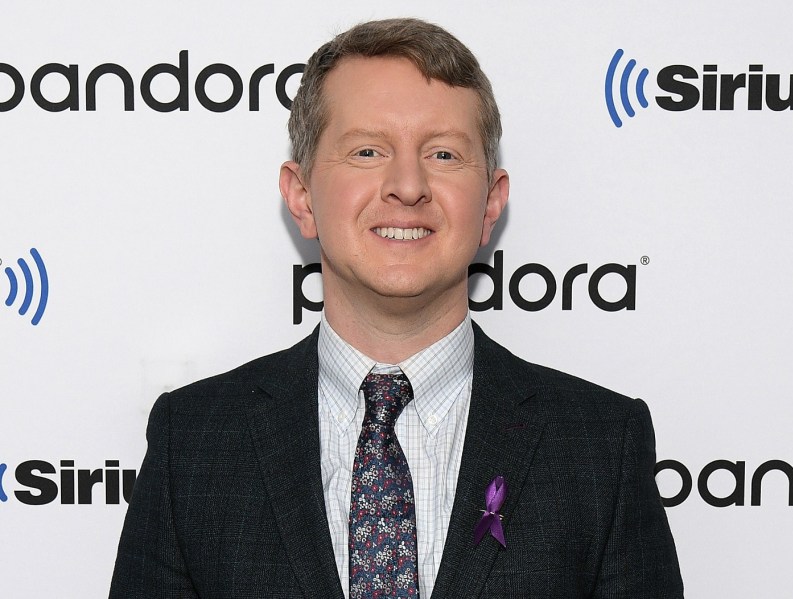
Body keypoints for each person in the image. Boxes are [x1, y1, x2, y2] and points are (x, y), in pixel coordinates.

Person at [110, 18, 683, 598]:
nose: (408, 185)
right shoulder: (195, 441)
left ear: (491, 203)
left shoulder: (602, 446)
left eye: (442, 153)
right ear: (301, 196)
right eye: (366, 151)